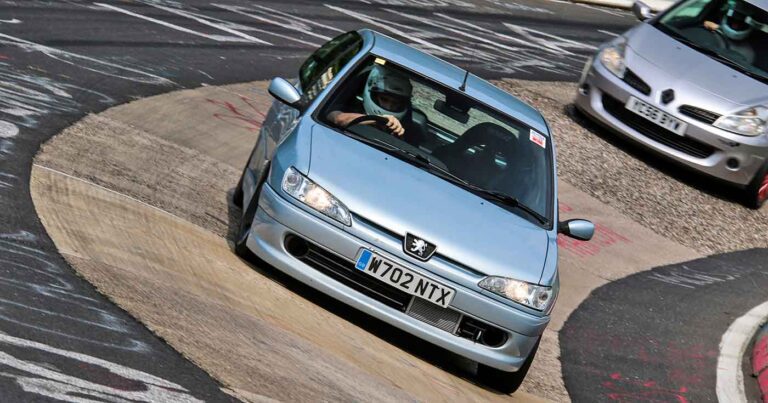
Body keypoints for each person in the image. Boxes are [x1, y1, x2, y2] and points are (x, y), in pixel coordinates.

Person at [327, 64, 422, 145]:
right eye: (384, 99)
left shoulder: (404, 126)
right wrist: (376, 119)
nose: (388, 107)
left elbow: (409, 149)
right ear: (372, 94)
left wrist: (399, 135)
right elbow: (336, 118)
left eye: (395, 103)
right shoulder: (351, 103)